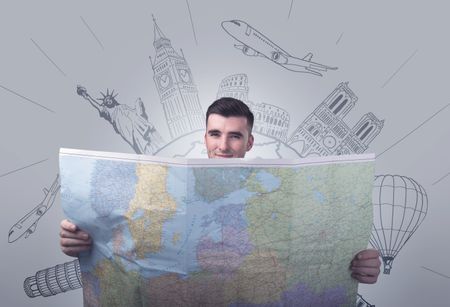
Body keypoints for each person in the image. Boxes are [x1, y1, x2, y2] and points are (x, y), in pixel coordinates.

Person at [60, 97, 381, 284]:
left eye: (235, 136)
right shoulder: (164, 188)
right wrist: (84, 241)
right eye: (215, 134)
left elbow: (313, 246)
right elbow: (127, 241)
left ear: (250, 142)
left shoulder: (279, 195)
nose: (223, 145)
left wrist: (355, 264)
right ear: (205, 138)